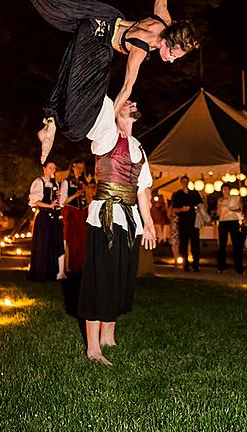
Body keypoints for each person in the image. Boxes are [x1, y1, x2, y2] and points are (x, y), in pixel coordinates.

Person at [0, 0, 199, 162]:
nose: (172, 59)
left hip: (103, 14)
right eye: (173, 53)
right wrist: (111, 121)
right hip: (97, 36)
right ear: (167, 41)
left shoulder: (163, 18)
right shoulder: (141, 48)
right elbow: (126, 87)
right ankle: (51, 122)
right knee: (82, 92)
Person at [77, 96, 156, 366]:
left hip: (129, 220)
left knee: (121, 278)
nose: (132, 103)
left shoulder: (139, 147)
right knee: (101, 280)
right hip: (105, 218)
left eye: (135, 102)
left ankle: (109, 337)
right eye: (127, 102)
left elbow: (143, 189)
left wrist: (149, 223)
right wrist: (125, 87)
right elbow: (107, 99)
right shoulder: (106, 135)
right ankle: (93, 348)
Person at [28, 160, 65, 281]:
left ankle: (50, 273)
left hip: (54, 218)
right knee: (42, 245)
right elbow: (34, 201)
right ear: (44, 169)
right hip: (43, 217)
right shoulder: (39, 182)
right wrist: (49, 205)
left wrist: (58, 199)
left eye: (54, 168)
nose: (52, 170)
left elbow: (57, 201)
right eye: (50, 168)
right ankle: (40, 273)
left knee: (52, 244)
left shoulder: (55, 183)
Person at [59, 159, 88, 274]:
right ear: (73, 168)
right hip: (71, 212)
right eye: (78, 168)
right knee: (71, 240)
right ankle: (68, 266)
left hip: (81, 213)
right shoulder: (67, 182)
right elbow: (62, 202)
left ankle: (81, 266)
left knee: (82, 240)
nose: (80, 170)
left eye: (82, 168)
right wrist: (75, 195)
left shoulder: (83, 182)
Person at [172, 176, 203, 272]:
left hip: (194, 222)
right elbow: (174, 209)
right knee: (183, 244)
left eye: (186, 181)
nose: (185, 183)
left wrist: (199, 209)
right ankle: (185, 264)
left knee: (195, 244)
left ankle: (196, 265)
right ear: (181, 182)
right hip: (183, 222)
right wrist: (182, 209)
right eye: (183, 181)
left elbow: (201, 205)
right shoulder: (178, 194)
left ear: (189, 182)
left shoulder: (194, 193)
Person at [217, 184, 244, 274]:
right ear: (221, 190)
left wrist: (232, 210)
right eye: (224, 189)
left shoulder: (235, 198)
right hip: (223, 222)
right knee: (222, 245)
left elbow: (241, 210)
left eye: (227, 189)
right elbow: (218, 213)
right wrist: (220, 205)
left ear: (229, 190)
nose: (225, 190)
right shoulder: (220, 200)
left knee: (236, 244)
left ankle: (239, 267)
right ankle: (221, 266)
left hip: (233, 221)